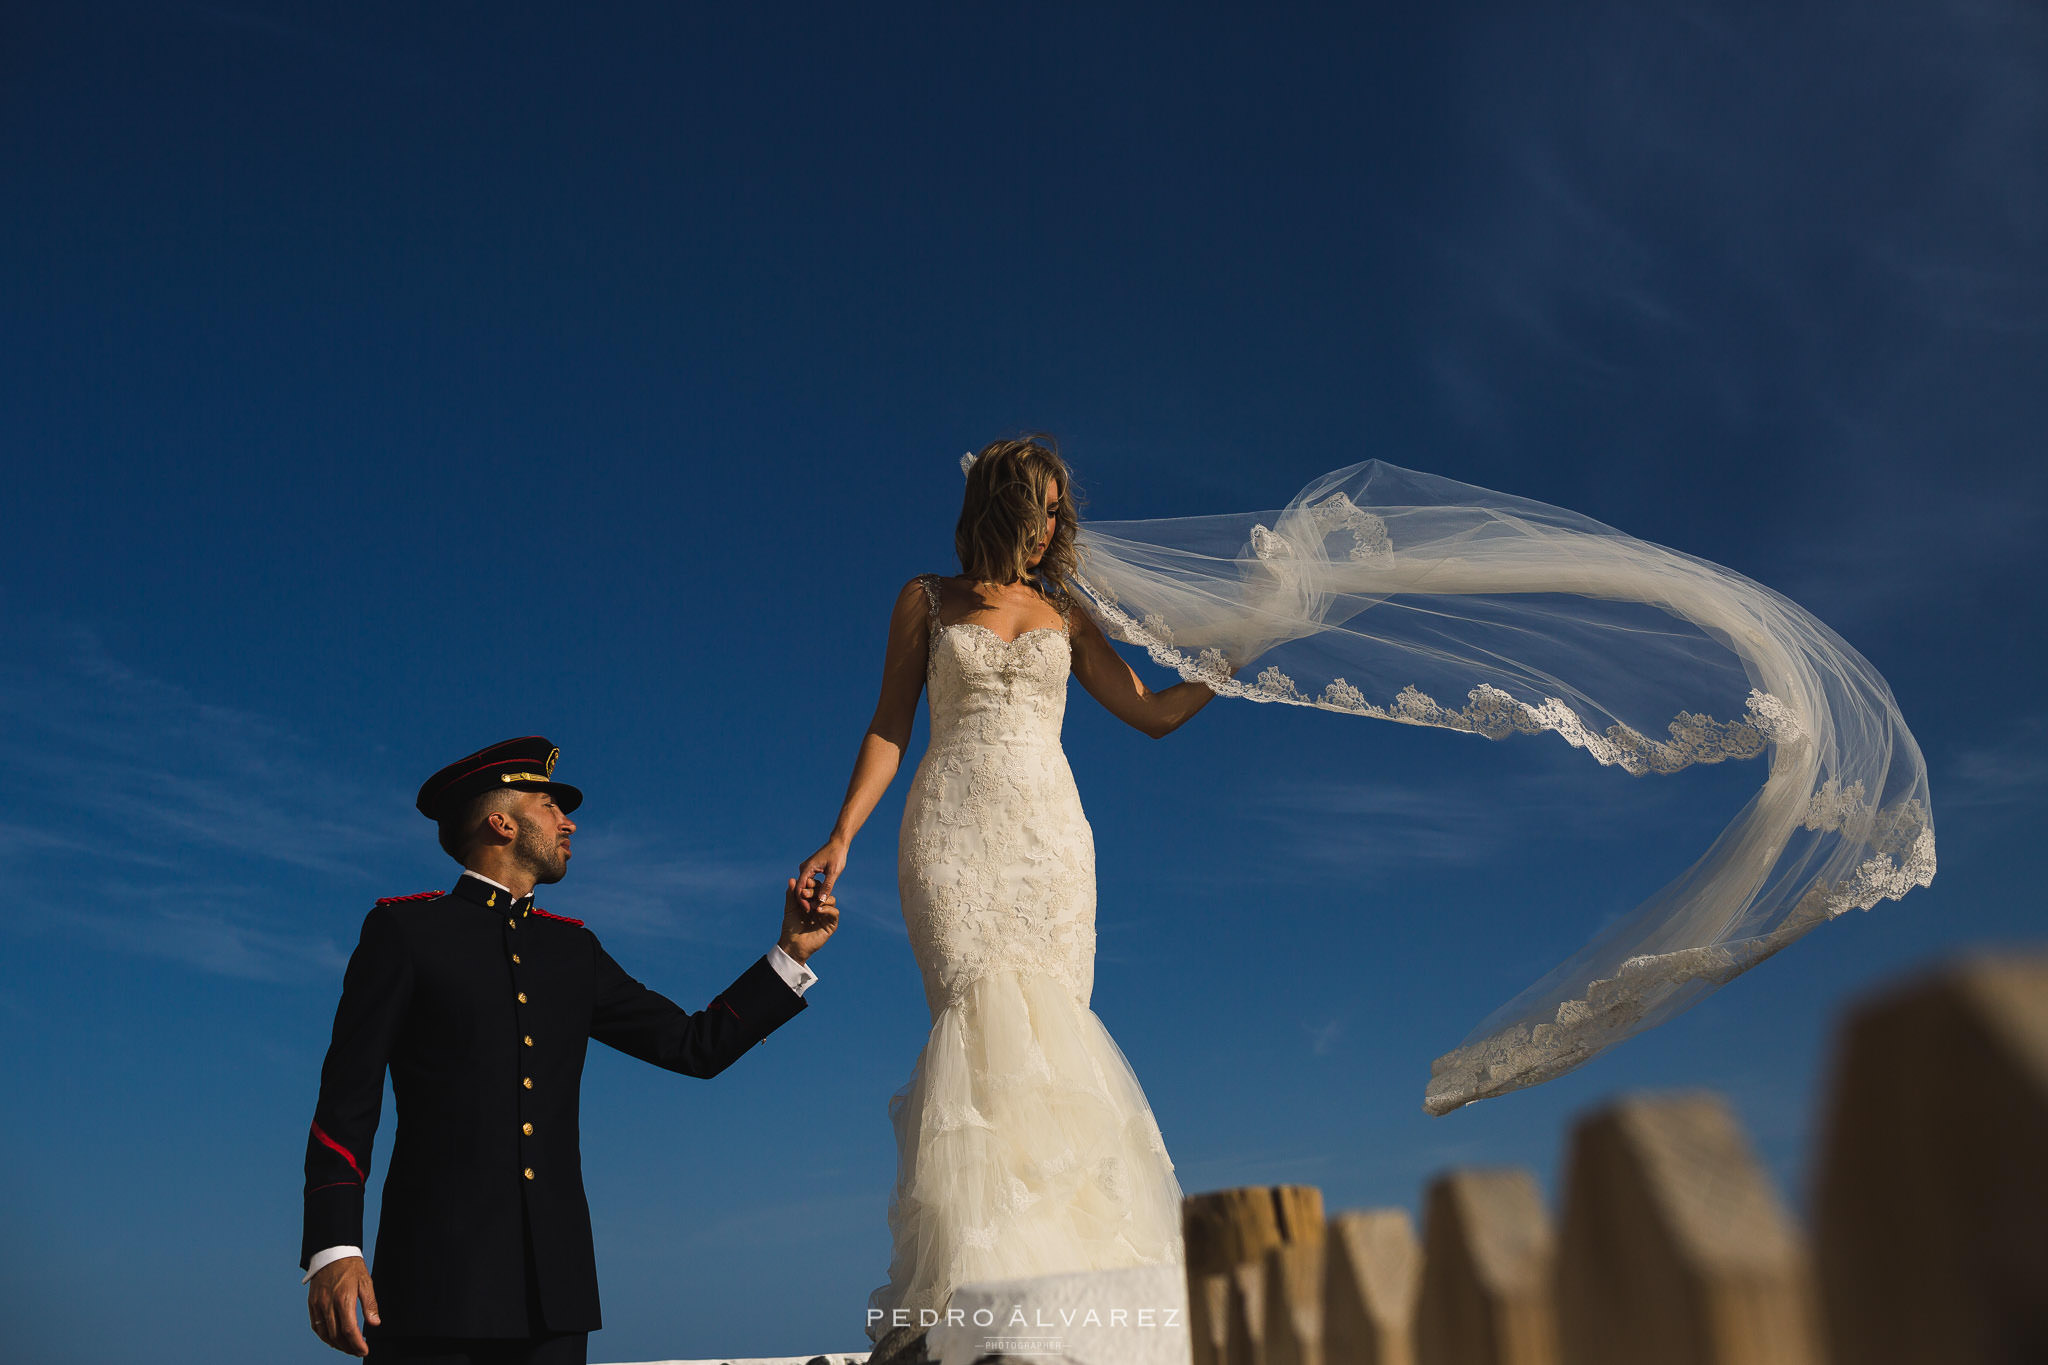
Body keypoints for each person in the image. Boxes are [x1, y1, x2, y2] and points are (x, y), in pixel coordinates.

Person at [795, 436, 1228, 1335]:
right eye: (1044, 506)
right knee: (976, 1026)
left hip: (1050, 843)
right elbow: (889, 726)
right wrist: (840, 835)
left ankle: (1064, 1312)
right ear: (1004, 505)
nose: (1055, 525)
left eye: (1063, 510)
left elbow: (1148, 713)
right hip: (953, 835)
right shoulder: (924, 599)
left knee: (1053, 1041)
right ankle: (972, 1311)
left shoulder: (1065, 610)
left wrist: (1231, 667)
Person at [301, 736, 838, 1363]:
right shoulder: (405, 931)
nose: (568, 820)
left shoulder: (573, 952)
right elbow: (347, 1100)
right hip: (433, 1286)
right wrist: (334, 1249)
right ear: (500, 822)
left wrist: (790, 954)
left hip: (555, 1299)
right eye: (549, 803)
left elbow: (696, 1046)